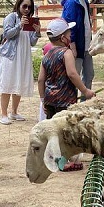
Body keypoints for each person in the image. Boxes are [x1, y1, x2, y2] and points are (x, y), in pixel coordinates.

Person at [38, 18, 96, 170]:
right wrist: (85, 91)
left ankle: (51, 157)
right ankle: (64, 162)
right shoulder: (66, 53)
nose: (71, 35)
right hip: (65, 100)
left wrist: (43, 100)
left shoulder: (47, 55)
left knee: (53, 131)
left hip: (50, 99)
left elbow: (40, 80)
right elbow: (72, 73)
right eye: (69, 33)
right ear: (63, 37)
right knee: (65, 131)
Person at [0, 0, 41, 125]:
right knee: (7, 83)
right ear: (18, 5)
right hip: (10, 55)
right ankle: (3, 113)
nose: (27, 9)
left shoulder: (30, 20)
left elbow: (31, 42)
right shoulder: (11, 17)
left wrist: (37, 32)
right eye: (24, 6)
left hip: (23, 54)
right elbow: (7, 34)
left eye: (29, 7)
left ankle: (14, 111)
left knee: (19, 81)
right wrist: (19, 25)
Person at [62, 0, 95, 96]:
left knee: (89, 74)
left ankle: (86, 102)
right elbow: (70, 27)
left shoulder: (84, 0)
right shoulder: (71, 2)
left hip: (87, 45)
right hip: (77, 47)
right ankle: (71, 101)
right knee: (75, 76)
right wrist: (73, 46)